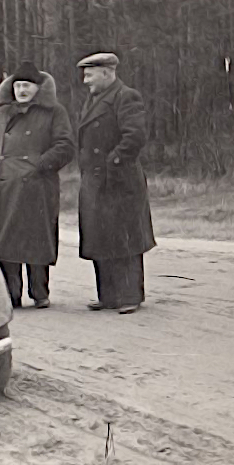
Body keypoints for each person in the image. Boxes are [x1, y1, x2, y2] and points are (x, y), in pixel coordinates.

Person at [0, 61, 75, 309]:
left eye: (27, 86)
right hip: (4, 186)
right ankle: (11, 295)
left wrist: (39, 165)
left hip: (37, 186)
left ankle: (40, 292)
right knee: (5, 243)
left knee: (36, 239)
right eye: (18, 85)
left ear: (37, 88)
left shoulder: (54, 112)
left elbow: (65, 146)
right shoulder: (2, 113)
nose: (22, 90)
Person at [75, 52, 156, 314]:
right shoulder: (93, 100)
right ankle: (108, 295)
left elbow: (135, 136)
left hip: (120, 182)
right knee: (100, 237)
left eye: (90, 75)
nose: (85, 80)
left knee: (125, 240)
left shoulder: (125, 96)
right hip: (96, 182)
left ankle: (130, 295)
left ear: (107, 73)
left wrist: (114, 161)